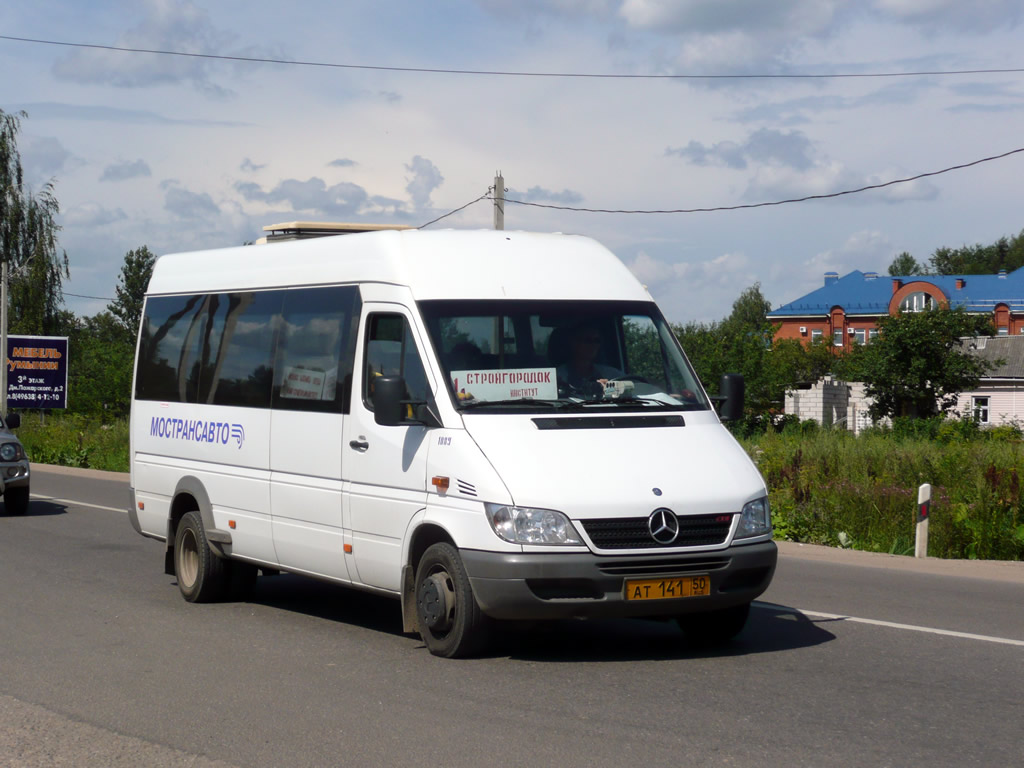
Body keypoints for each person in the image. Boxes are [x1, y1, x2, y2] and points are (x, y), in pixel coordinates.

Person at [556, 324, 620, 394]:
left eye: (596, 340)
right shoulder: (557, 377)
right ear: (574, 343)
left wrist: (608, 389)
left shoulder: (612, 376)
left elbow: (631, 390)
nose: (593, 344)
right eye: (587, 340)